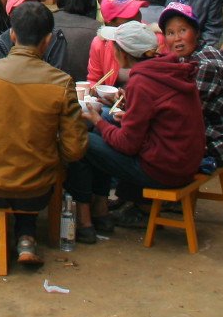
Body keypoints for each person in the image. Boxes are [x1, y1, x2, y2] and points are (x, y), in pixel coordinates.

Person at [0, 0, 88, 264]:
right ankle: (26, 239)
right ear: (48, 40)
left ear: (12, 35)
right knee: (34, 161)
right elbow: (74, 149)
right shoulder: (61, 82)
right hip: (37, 189)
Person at [70, 20, 206, 232]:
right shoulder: (169, 68)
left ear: (123, 53)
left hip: (164, 169)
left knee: (82, 139)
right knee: (104, 126)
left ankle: (89, 215)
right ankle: (100, 208)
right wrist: (128, 113)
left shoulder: (142, 81)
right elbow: (161, 118)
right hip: (184, 161)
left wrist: (96, 119)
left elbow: (127, 145)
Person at [159, 2, 223, 168]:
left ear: (196, 32)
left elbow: (184, 111)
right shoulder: (186, 57)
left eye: (183, 30)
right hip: (208, 132)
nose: (177, 38)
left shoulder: (205, 64)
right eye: (170, 33)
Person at [88, 0, 144, 85]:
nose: (137, 17)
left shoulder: (153, 38)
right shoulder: (100, 43)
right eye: (129, 15)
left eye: (137, 10)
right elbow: (94, 80)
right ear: (110, 22)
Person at [52, 0, 100, 82]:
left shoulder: (45, 19)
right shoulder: (97, 28)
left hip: (50, 85)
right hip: (85, 89)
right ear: (88, 3)